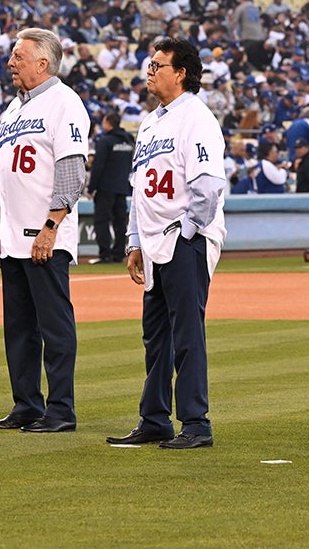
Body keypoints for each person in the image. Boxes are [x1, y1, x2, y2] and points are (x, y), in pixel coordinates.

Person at [107, 38, 227, 450]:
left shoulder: (197, 118)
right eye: (149, 64)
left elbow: (208, 188)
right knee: (155, 335)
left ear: (182, 73)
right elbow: (140, 189)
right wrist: (134, 241)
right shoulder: (150, 121)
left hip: (182, 241)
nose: (149, 70)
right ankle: (154, 418)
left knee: (187, 335)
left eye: (158, 65)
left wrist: (187, 233)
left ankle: (196, 424)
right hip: (154, 242)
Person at [0, 28, 90, 433]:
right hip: (12, 237)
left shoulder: (65, 103)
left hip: (45, 237)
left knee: (54, 326)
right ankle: (26, 405)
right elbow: (4, 178)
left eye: (18, 57)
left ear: (42, 63)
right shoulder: (13, 110)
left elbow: (71, 172)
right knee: (19, 329)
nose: (10, 63)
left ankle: (61, 410)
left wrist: (50, 227)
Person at [88, 110, 134, 264]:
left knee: (102, 221)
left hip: (105, 188)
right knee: (120, 222)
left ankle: (105, 254)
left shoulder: (105, 141)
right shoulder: (128, 140)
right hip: (121, 188)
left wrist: (91, 188)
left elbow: (98, 166)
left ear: (108, 124)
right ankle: (119, 253)